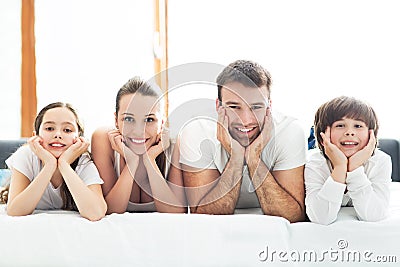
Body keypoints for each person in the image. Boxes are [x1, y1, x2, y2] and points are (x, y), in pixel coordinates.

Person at [179, 60, 306, 222]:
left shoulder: (289, 131)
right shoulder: (197, 130)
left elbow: (293, 216)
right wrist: (236, 159)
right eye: (234, 107)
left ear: (269, 107)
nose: (246, 120)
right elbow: (203, 217)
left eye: (256, 107)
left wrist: (254, 159)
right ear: (218, 106)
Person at [91, 77, 186, 214]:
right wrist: (132, 162)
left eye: (149, 119)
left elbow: (176, 213)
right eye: (129, 119)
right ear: (116, 120)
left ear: (162, 122)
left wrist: (150, 160)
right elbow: (109, 211)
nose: (138, 131)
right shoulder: (103, 139)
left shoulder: (174, 143)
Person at [0, 102, 106, 221]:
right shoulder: (26, 155)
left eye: (67, 130)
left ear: (78, 138)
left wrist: (64, 165)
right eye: (49, 128)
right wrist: (49, 166)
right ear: (36, 135)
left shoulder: (83, 162)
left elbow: (96, 212)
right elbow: (15, 211)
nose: (58, 135)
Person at [305, 96, 391, 225]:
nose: (349, 132)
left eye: (358, 125)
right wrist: (340, 167)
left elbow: (374, 216)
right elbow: (321, 218)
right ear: (323, 137)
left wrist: (354, 168)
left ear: (371, 135)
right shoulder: (315, 162)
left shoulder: (380, 161)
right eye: (340, 125)